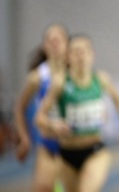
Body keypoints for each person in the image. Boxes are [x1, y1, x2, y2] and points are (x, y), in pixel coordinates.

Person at [36, 34, 119, 192]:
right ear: (68, 57)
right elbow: (39, 117)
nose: (80, 56)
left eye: (84, 51)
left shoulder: (100, 79)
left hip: (94, 151)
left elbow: (118, 99)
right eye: (75, 52)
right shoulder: (60, 82)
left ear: (92, 54)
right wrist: (52, 124)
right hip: (67, 154)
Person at [14, 24, 68, 191]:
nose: (54, 43)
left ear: (67, 44)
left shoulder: (76, 71)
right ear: (44, 46)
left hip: (73, 144)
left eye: (58, 39)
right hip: (48, 145)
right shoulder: (37, 76)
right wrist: (24, 138)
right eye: (50, 40)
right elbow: (19, 107)